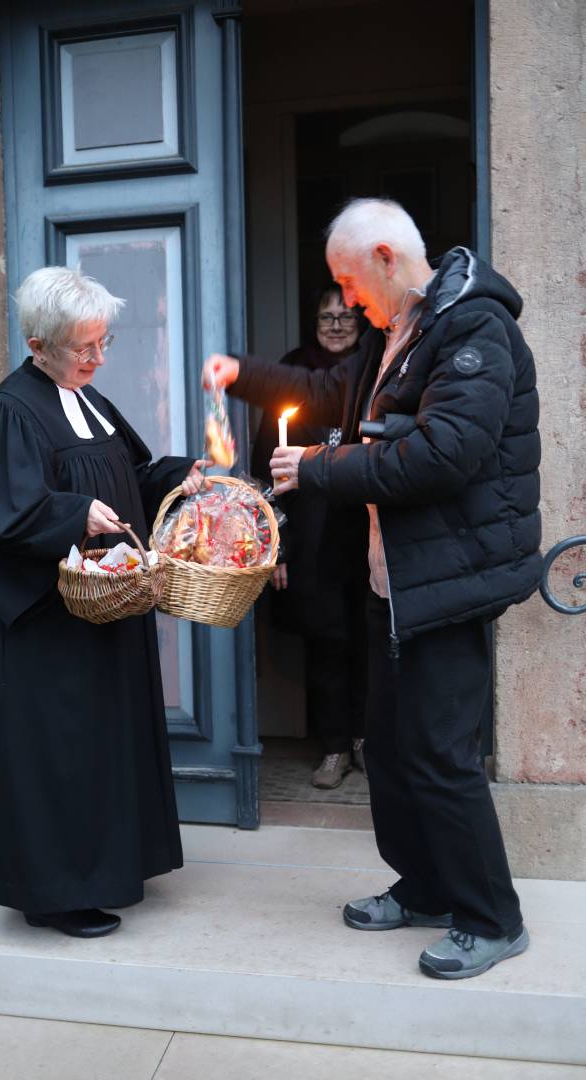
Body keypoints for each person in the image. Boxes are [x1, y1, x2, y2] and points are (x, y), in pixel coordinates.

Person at [203, 198, 541, 980]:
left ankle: (492, 918)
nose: (349, 302)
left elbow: (444, 455)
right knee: (388, 748)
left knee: (442, 755)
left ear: (386, 258)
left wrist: (318, 468)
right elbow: (324, 392)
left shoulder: (473, 328)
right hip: (394, 584)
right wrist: (241, 373)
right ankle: (424, 888)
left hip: (449, 583)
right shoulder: (395, 335)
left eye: (351, 283)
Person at [0, 266, 209, 939]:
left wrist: (177, 476)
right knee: (60, 754)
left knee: (104, 746)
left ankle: (111, 866)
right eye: (84, 347)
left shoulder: (87, 397)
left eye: (104, 342)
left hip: (101, 613)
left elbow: (126, 477)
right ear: (38, 346)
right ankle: (54, 894)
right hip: (47, 630)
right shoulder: (10, 412)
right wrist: (73, 515)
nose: (98, 358)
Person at [250, 286, 369, 789]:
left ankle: (366, 741)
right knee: (326, 644)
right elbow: (265, 466)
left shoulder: (377, 368)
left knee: (371, 640)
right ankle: (335, 747)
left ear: (362, 323)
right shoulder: (295, 372)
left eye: (346, 317)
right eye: (326, 317)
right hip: (312, 538)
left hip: (368, 534)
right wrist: (276, 543)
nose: (336, 326)